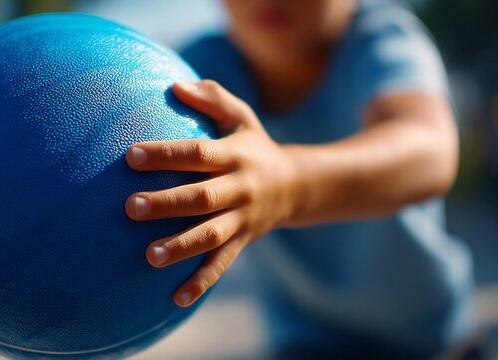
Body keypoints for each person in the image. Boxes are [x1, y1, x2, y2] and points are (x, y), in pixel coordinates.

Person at [125, 0, 474, 358]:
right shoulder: (199, 72)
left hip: (429, 339)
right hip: (306, 343)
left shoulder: (380, 40)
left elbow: (430, 150)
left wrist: (289, 183)